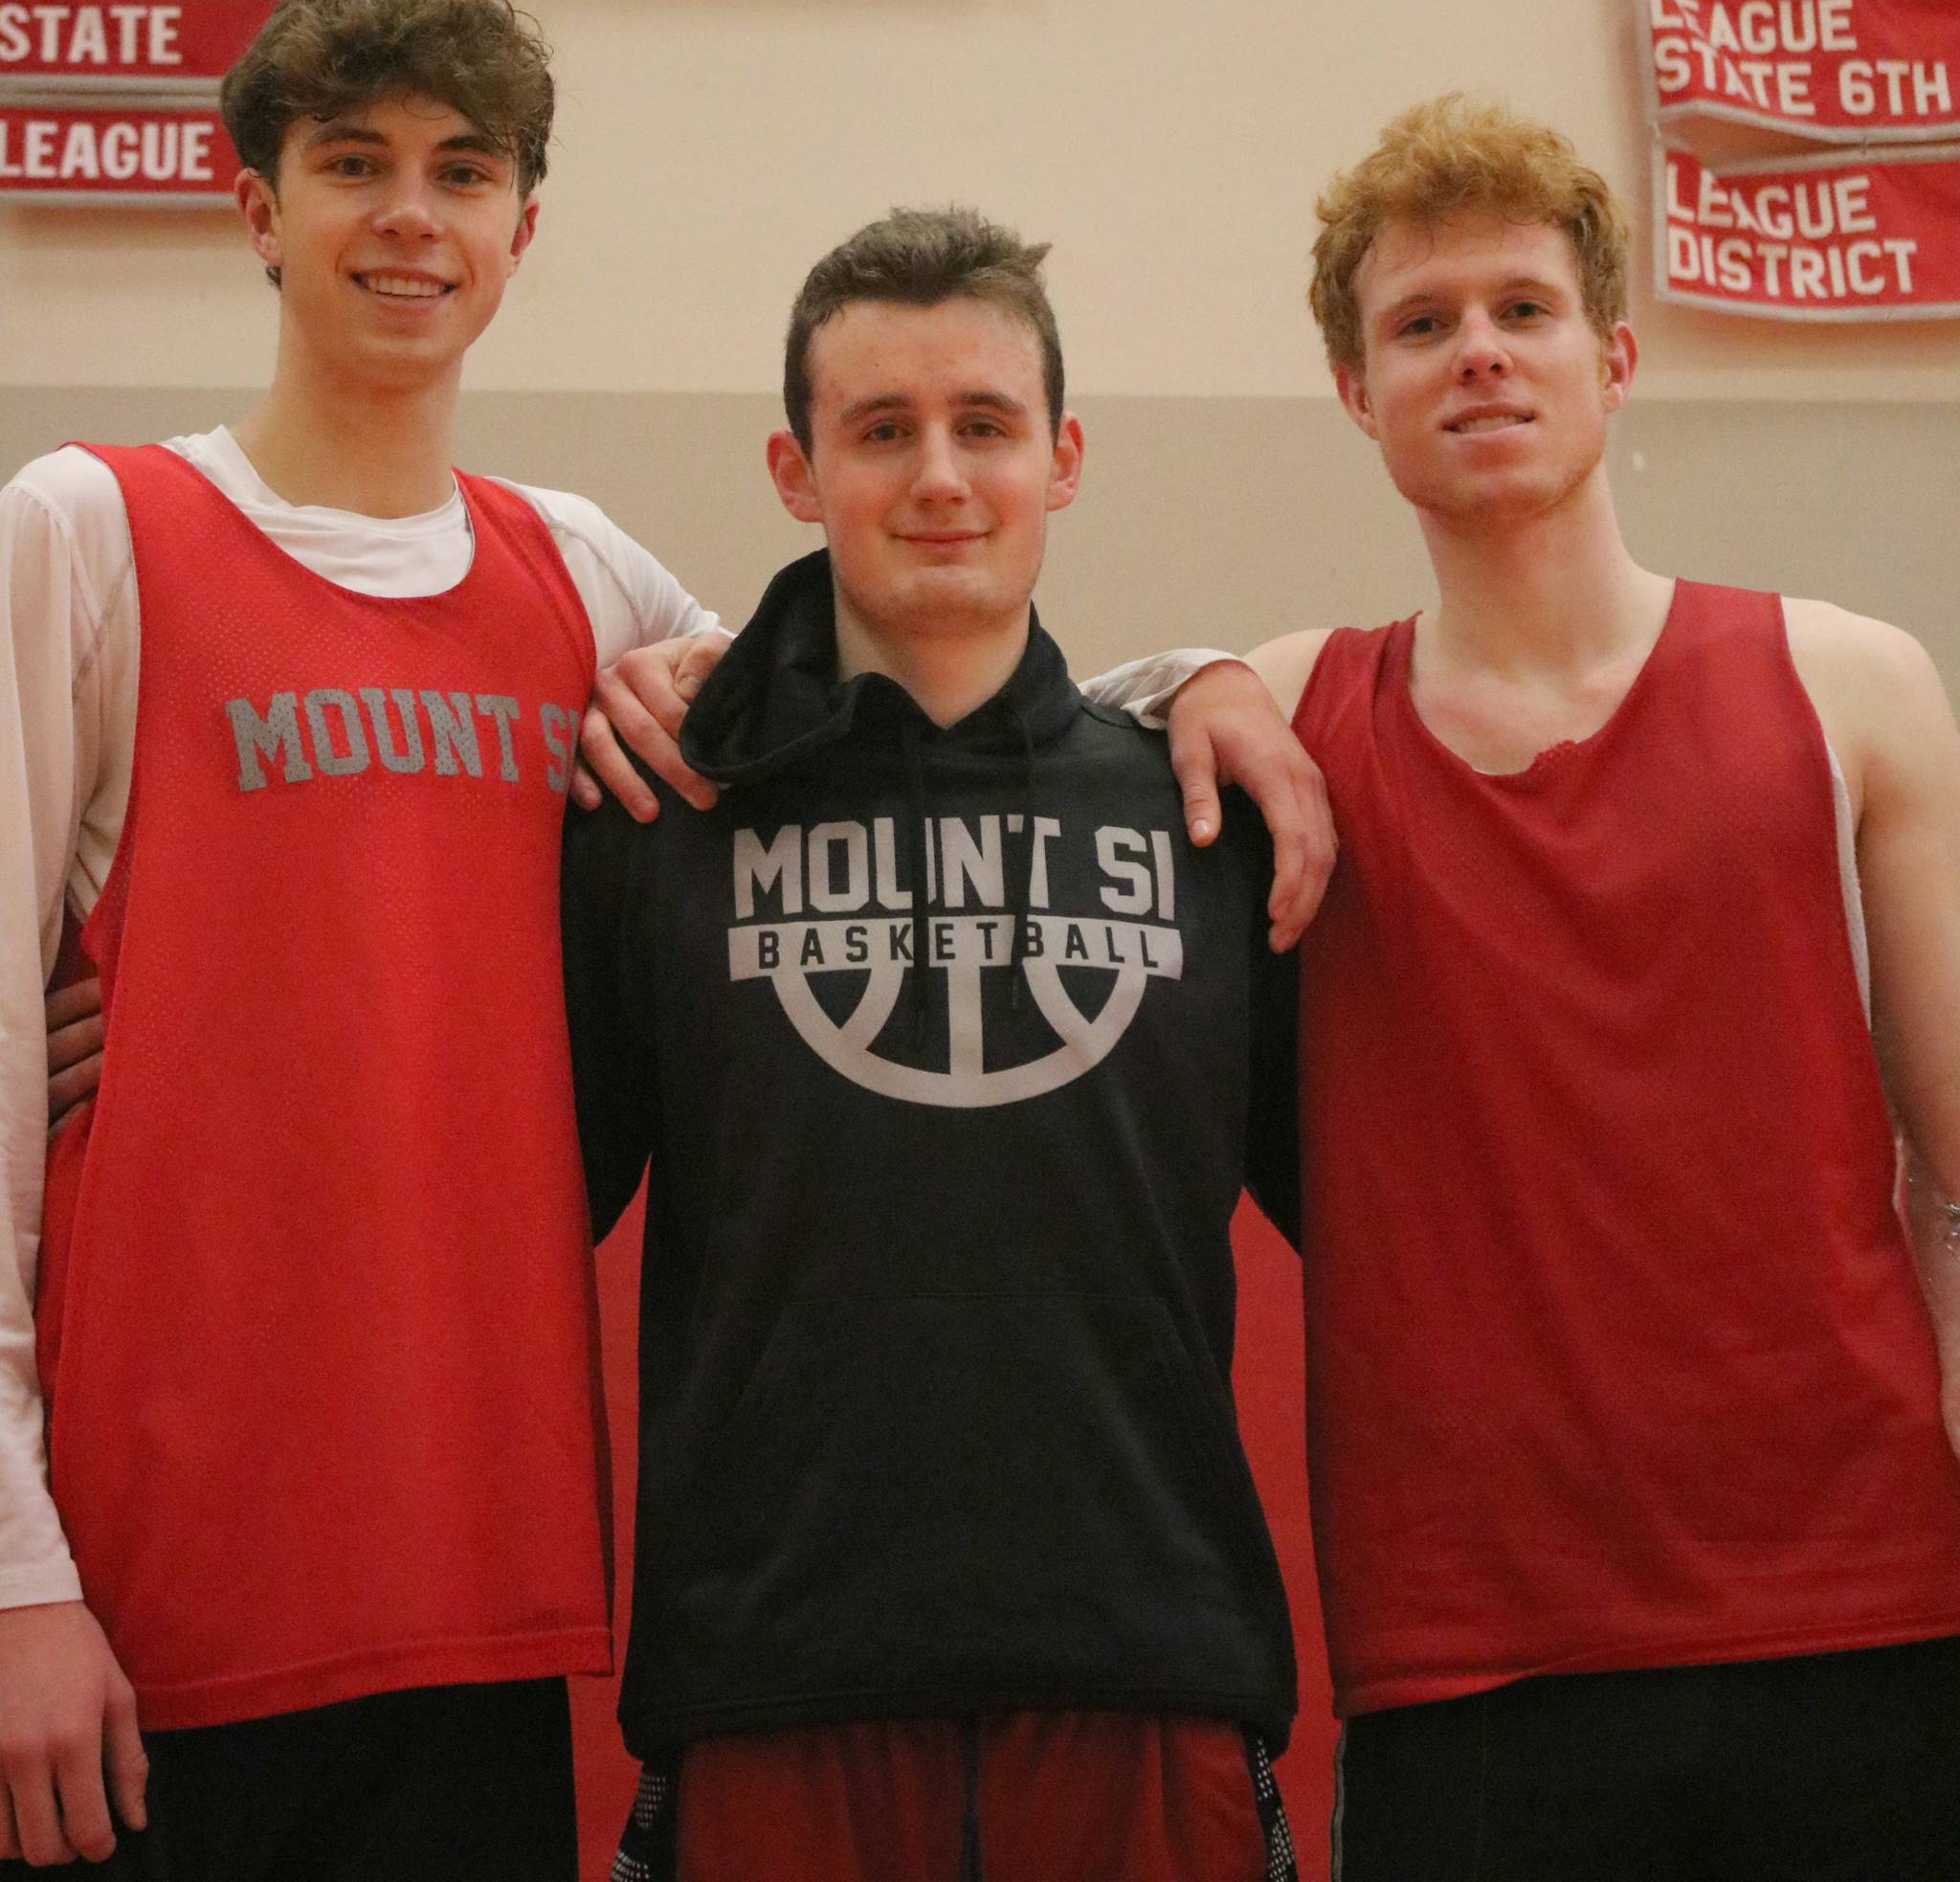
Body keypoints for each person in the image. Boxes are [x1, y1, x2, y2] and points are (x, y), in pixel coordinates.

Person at [1174, 97, 1960, 1881]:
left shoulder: (1853, 683)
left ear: (1613, 358)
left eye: (1522, 310)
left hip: (1862, 1610)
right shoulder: (1287, 709)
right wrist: (1188, 671)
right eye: (1421, 324)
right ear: (1358, 397)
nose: (1479, 357)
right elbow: (1055, 720)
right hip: (1473, 1650)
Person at [0, 0, 726, 1880]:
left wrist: (1199, 692)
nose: (411, 212)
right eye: (353, 162)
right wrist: (13, 1582)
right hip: (140, 1609)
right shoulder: (86, 528)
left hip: (473, 1587)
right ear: (258, 207)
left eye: (461, 170)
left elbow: (928, 714)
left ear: (519, 230)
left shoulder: (587, 575)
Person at [558, 207, 1303, 1882]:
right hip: (769, 1677)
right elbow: (493, 1205)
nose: (940, 476)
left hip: (1148, 1665)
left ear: (1067, 455)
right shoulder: (662, 809)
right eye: (881, 432)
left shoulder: (1209, 811)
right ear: (795, 469)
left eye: (986, 425)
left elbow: (1406, 1220)